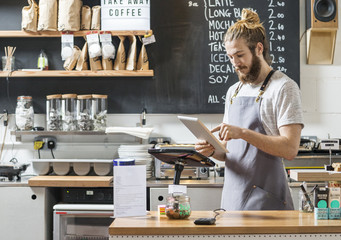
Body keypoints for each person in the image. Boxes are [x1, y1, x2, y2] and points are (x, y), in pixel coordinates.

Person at [195, 9, 304, 210]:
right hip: (233, 200)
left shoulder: (283, 88)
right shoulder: (234, 91)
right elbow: (229, 154)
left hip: (266, 202)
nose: (235, 63)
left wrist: (243, 133)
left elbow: (290, 149)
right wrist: (212, 151)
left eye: (240, 55)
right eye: (230, 57)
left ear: (259, 48)